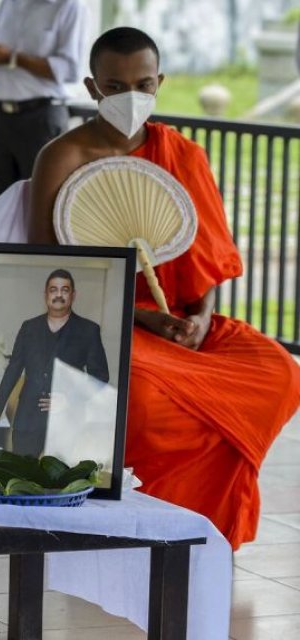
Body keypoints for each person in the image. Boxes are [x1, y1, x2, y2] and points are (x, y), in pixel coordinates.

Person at [29, 26, 300, 549]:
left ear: (160, 84)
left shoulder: (184, 156)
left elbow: (207, 260)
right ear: (92, 88)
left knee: (279, 371)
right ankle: (152, 518)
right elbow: (47, 270)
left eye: (144, 84)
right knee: (148, 397)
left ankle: (205, 526)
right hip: (104, 322)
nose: (131, 97)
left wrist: (199, 317)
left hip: (178, 322)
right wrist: (140, 315)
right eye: (115, 86)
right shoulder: (63, 157)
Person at [0, 269, 108, 456]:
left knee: (60, 481)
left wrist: (70, 400)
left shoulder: (89, 330)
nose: (58, 295)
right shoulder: (29, 327)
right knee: (23, 476)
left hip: (67, 421)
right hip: (28, 418)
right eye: (53, 290)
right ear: (45, 295)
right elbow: (14, 368)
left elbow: (99, 377)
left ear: (73, 295)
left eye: (65, 290)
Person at [0, 0, 87, 205]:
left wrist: (13, 58)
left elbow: (70, 70)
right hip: (0, 116)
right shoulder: (9, 4)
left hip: (41, 117)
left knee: (43, 205)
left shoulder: (69, 6)